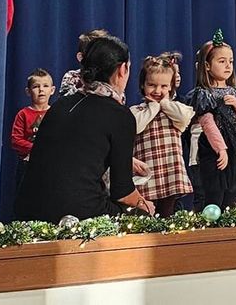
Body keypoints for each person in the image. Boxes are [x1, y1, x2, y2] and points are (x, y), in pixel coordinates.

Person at [15, 33, 153, 220]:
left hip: (26, 211)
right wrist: (146, 207)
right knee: (143, 218)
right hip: (78, 212)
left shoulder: (59, 105)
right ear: (122, 69)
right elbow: (123, 192)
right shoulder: (120, 115)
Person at [187, 30, 236, 209]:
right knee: (214, 194)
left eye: (230, 61)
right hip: (215, 148)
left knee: (232, 196)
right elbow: (208, 123)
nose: (228, 66)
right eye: (222, 61)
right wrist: (221, 149)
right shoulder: (204, 93)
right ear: (207, 66)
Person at [131, 55, 194, 217]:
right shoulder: (137, 111)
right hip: (146, 176)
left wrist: (164, 103)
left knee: (167, 215)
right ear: (143, 85)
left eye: (164, 86)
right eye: (152, 85)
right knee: (146, 216)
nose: (157, 91)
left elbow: (184, 119)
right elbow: (136, 127)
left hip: (170, 175)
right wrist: (153, 107)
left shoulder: (175, 109)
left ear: (171, 87)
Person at [10, 68, 54, 191]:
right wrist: (37, 149)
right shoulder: (23, 114)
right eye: (36, 86)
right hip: (27, 165)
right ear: (28, 91)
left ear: (52, 90)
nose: (41, 90)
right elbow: (16, 140)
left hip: (50, 164)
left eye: (45, 86)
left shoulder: (56, 113)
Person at [58, 28, 108, 97]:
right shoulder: (72, 77)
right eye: (94, 54)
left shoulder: (111, 77)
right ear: (80, 57)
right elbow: (64, 101)